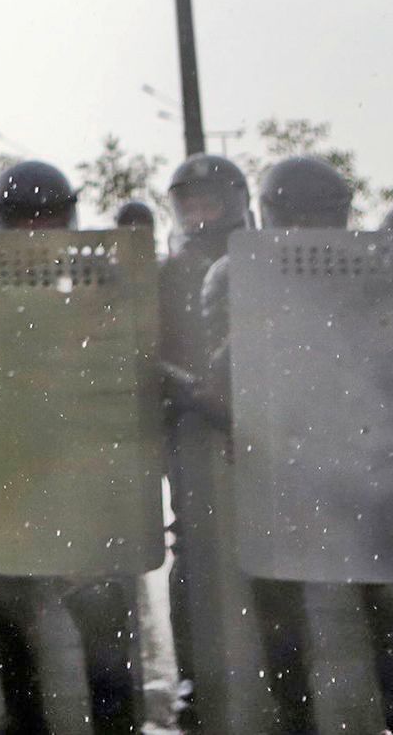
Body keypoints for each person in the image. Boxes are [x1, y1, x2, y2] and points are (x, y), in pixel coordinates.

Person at [195, 156, 393, 735]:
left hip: (359, 460)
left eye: (321, 215)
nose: (311, 229)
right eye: (302, 216)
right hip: (295, 463)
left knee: (388, 602)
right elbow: (225, 375)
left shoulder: (382, 268)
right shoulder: (237, 275)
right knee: (293, 607)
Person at [0, 161, 145, 735]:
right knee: (4, 594)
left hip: (82, 463)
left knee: (100, 607)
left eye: (48, 218)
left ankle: (117, 723)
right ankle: (25, 720)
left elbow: (130, 362)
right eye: (23, 220)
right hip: (16, 465)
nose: (37, 231)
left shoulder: (100, 277)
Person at [154, 154, 251, 732]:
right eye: (186, 202)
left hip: (268, 422)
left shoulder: (262, 259)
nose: (196, 213)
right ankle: (192, 674)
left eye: (206, 200)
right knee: (189, 549)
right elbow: (151, 349)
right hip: (194, 425)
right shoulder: (170, 272)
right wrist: (190, 391)